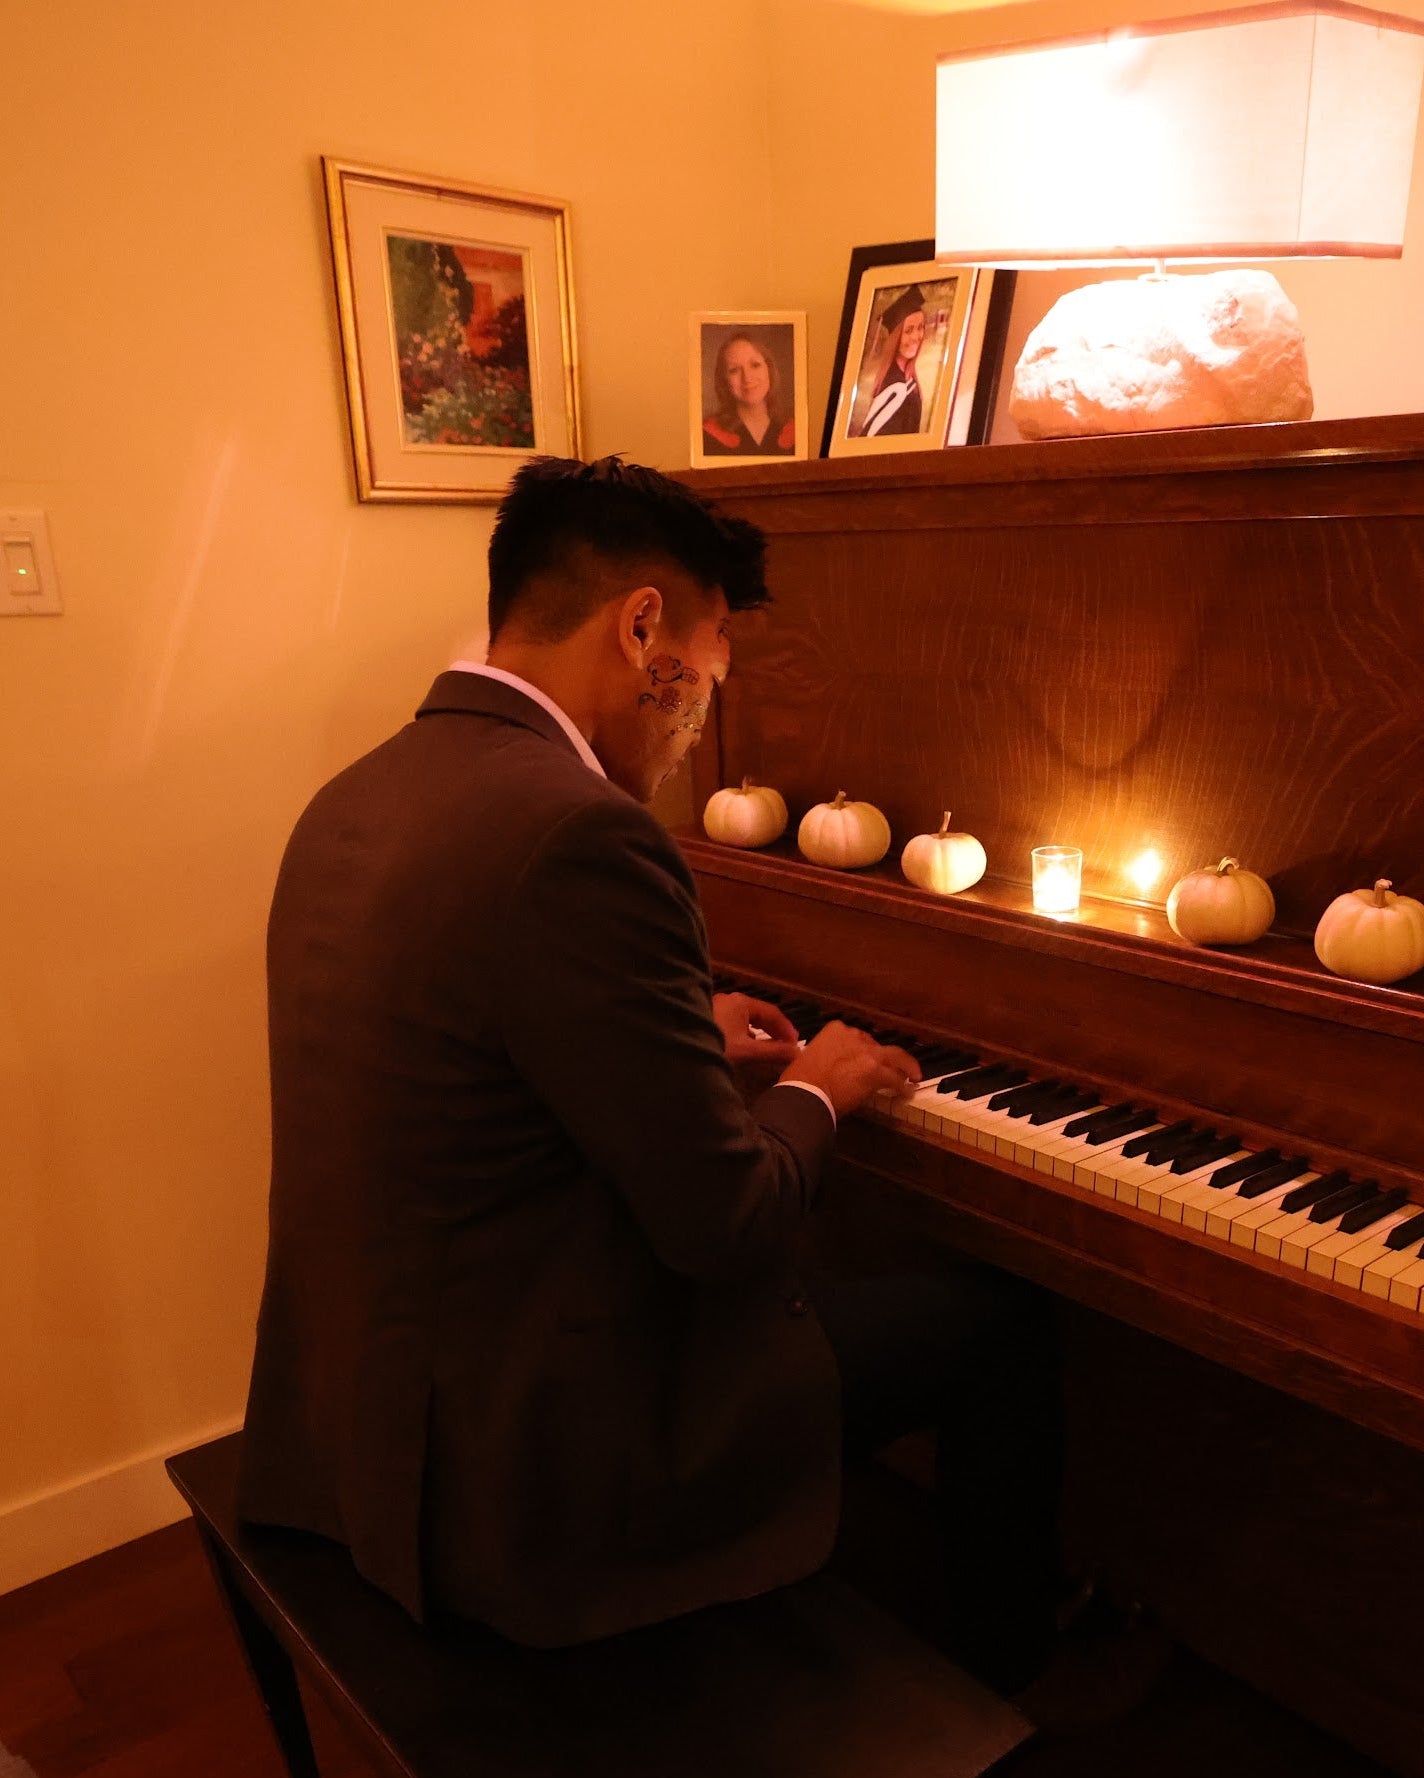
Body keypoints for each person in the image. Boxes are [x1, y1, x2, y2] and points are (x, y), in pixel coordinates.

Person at [231, 455, 1067, 1689]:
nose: (708, 701)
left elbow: (482, 1049)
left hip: (365, 1404)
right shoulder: (581, 830)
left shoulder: (359, 792)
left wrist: (672, 1026)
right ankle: (1022, 1675)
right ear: (642, 631)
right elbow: (727, 1226)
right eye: (717, 652)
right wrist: (818, 1088)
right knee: (1008, 1326)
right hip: (538, 1455)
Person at [700, 332, 795, 459]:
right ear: (724, 380)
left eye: (755, 365)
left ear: (769, 370)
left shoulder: (796, 431)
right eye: (734, 370)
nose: (747, 378)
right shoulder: (706, 437)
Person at [851, 285, 929, 438]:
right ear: (895, 338)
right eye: (908, 330)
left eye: (920, 327)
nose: (916, 336)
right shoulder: (895, 389)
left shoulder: (907, 380)